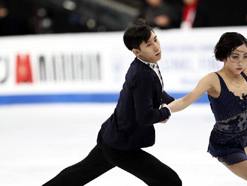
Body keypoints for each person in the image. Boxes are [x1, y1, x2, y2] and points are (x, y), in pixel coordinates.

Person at [43, 18, 182, 186]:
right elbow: (144, 117)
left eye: (155, 39)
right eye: (149, 44)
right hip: (121, 146)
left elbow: (152, 90)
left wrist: (167, 100)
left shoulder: (146, 64)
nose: (156, 46)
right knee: (169, 181)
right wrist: (165, 112)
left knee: (79, 173)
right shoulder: (142, 74)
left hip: (112, 135)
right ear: (137, 52)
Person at [168, 0, 247, 185]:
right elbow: (185, 100)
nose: (241, 62)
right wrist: (162, 110)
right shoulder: (213, 80)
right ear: (224, 56)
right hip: (226, 144)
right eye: (235, 56)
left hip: (246, 133)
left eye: (244, 55)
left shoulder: (245, 70)